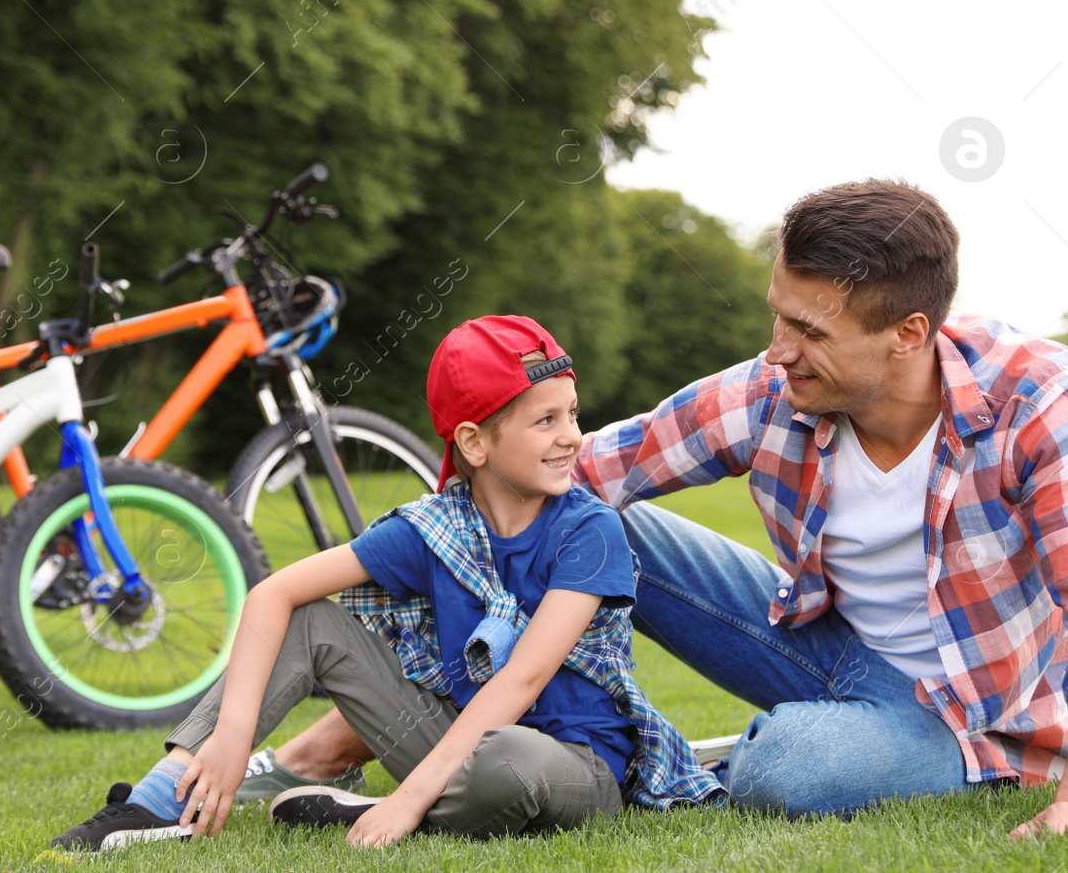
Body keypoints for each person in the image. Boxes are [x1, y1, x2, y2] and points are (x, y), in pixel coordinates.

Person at [258, 179, 1068, 837]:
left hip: (965, 716)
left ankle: (658, 762)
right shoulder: (775, 390)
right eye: (779, 316)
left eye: (809, 332)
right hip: (819, 652)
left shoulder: (1038, 399)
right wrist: (379, 700)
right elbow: (569, 476)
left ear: (908, 336)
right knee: (586, 513)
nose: (778, 352)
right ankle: (367, 750)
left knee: (790, 767)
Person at [46, 315, 722, 852]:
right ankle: (161, 799)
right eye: (545, 420)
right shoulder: (433, 526)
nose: (571, 436)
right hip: (454, 745)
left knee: (509, 762)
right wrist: (231, 733)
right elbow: (273, 595)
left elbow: (520, 684)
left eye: (571, 414)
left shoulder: (588, 529)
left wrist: (407, 795)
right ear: (475, 444)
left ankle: (382, 809)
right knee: (310, 619)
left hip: (570, 765)